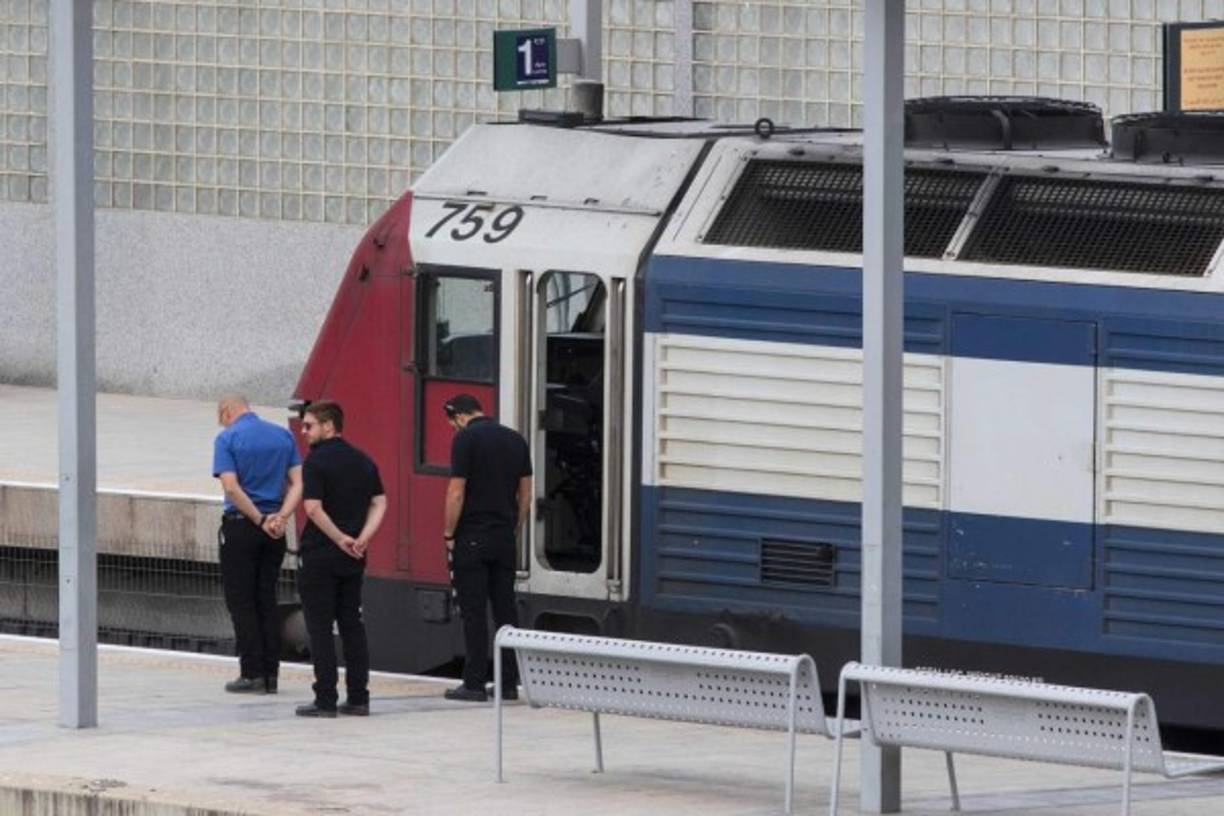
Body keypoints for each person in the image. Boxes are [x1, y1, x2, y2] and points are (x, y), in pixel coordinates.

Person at [295, 400, 386, 717]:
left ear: (328, 426)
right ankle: (359, 697)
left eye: (309, 426)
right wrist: (363, 538)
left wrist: (338, 538)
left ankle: (326, 699)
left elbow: (312, 508)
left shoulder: (316, 462)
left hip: (321, 554)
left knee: (320, 629)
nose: (304, 432)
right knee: (352, 625)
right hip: (353, 558)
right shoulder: (363, 460)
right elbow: (380, 502)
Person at [442, 394, 532, 702]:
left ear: (459, 416)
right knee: (505, 608)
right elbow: (526, 495)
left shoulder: (465, 439)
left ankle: (475, 683)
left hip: (472, 536)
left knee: (474, 611)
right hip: (504, 537)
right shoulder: (516, 440)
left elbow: (456, 492)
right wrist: (513, 527)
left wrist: (448, 533)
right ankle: (508, 683)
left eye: (452, 423)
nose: (454, 428)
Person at [213, 393, 302, 694]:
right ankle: (271, 675)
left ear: (227, 412)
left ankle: (251, 673)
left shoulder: (227, 439)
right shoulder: (282, 436)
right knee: (266, 599)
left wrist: (258, 519)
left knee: (241, 601)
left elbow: (230, 487)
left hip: (242, 527)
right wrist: (281, 517)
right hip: (275, 531)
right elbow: (299, 483)